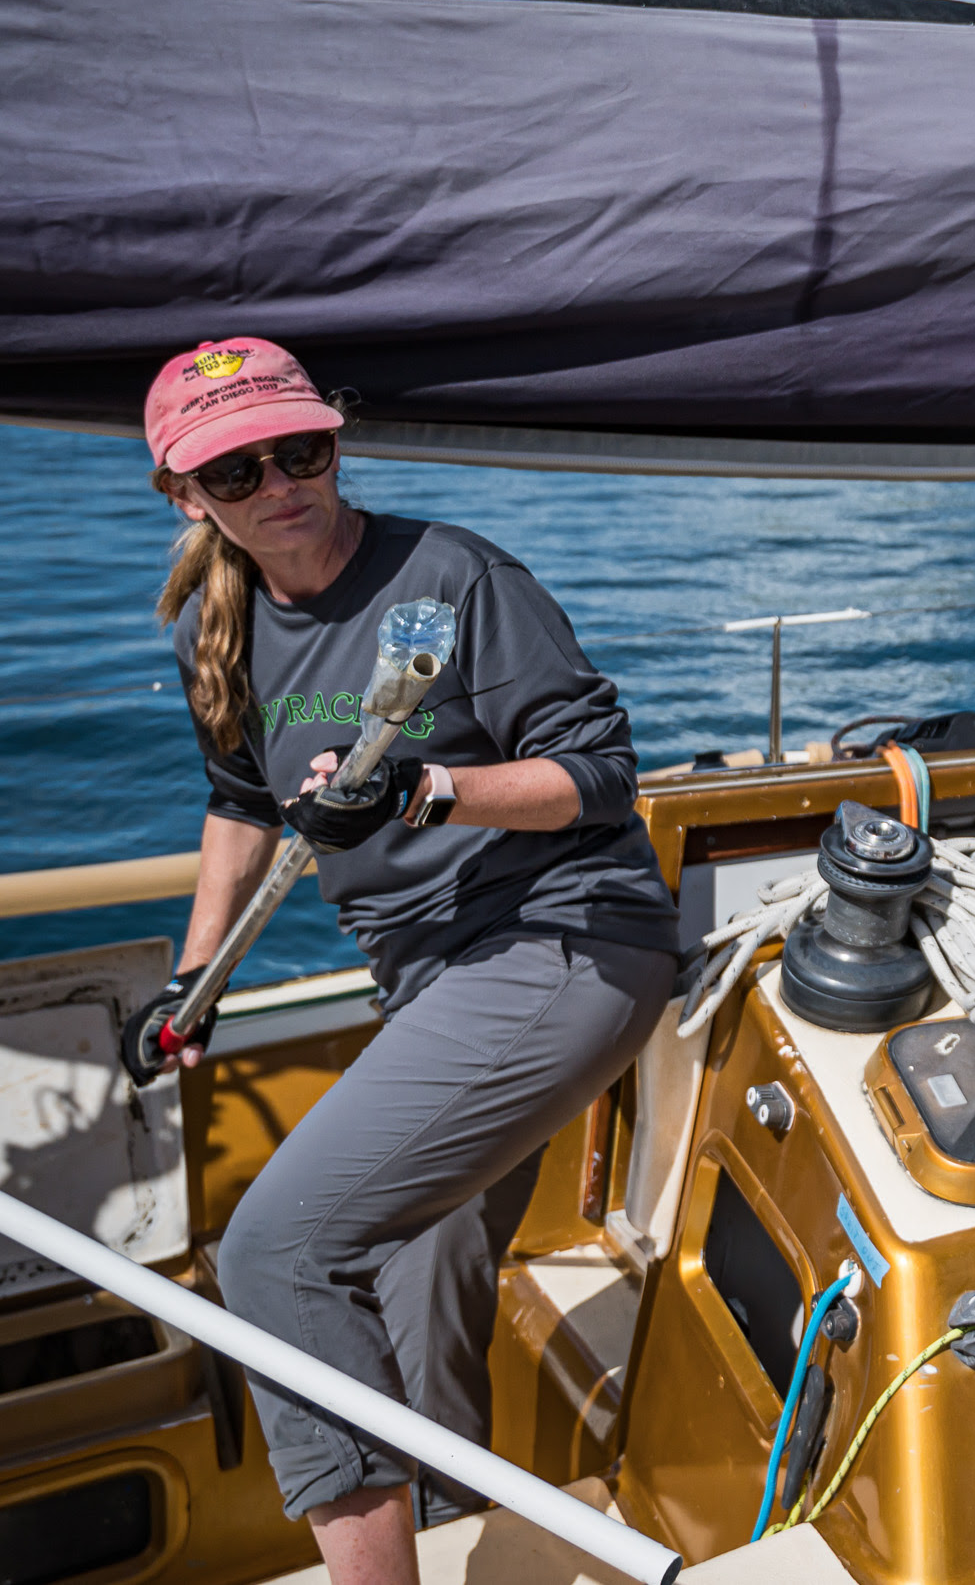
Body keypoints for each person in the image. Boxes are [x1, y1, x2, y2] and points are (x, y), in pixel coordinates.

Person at [126, 338, 681, 1582]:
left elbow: (599, 779)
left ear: (336, 441)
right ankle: (440, 1524)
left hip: (565, 939)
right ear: (185, 494)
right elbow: (240, 803)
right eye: (237, 468)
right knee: (413, 1272)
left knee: (276, 1245)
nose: (281, 482)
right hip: (430, 978)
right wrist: (192, 977)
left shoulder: (454, 576)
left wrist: (430, 794)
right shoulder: (214, 638)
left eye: (302, 447)